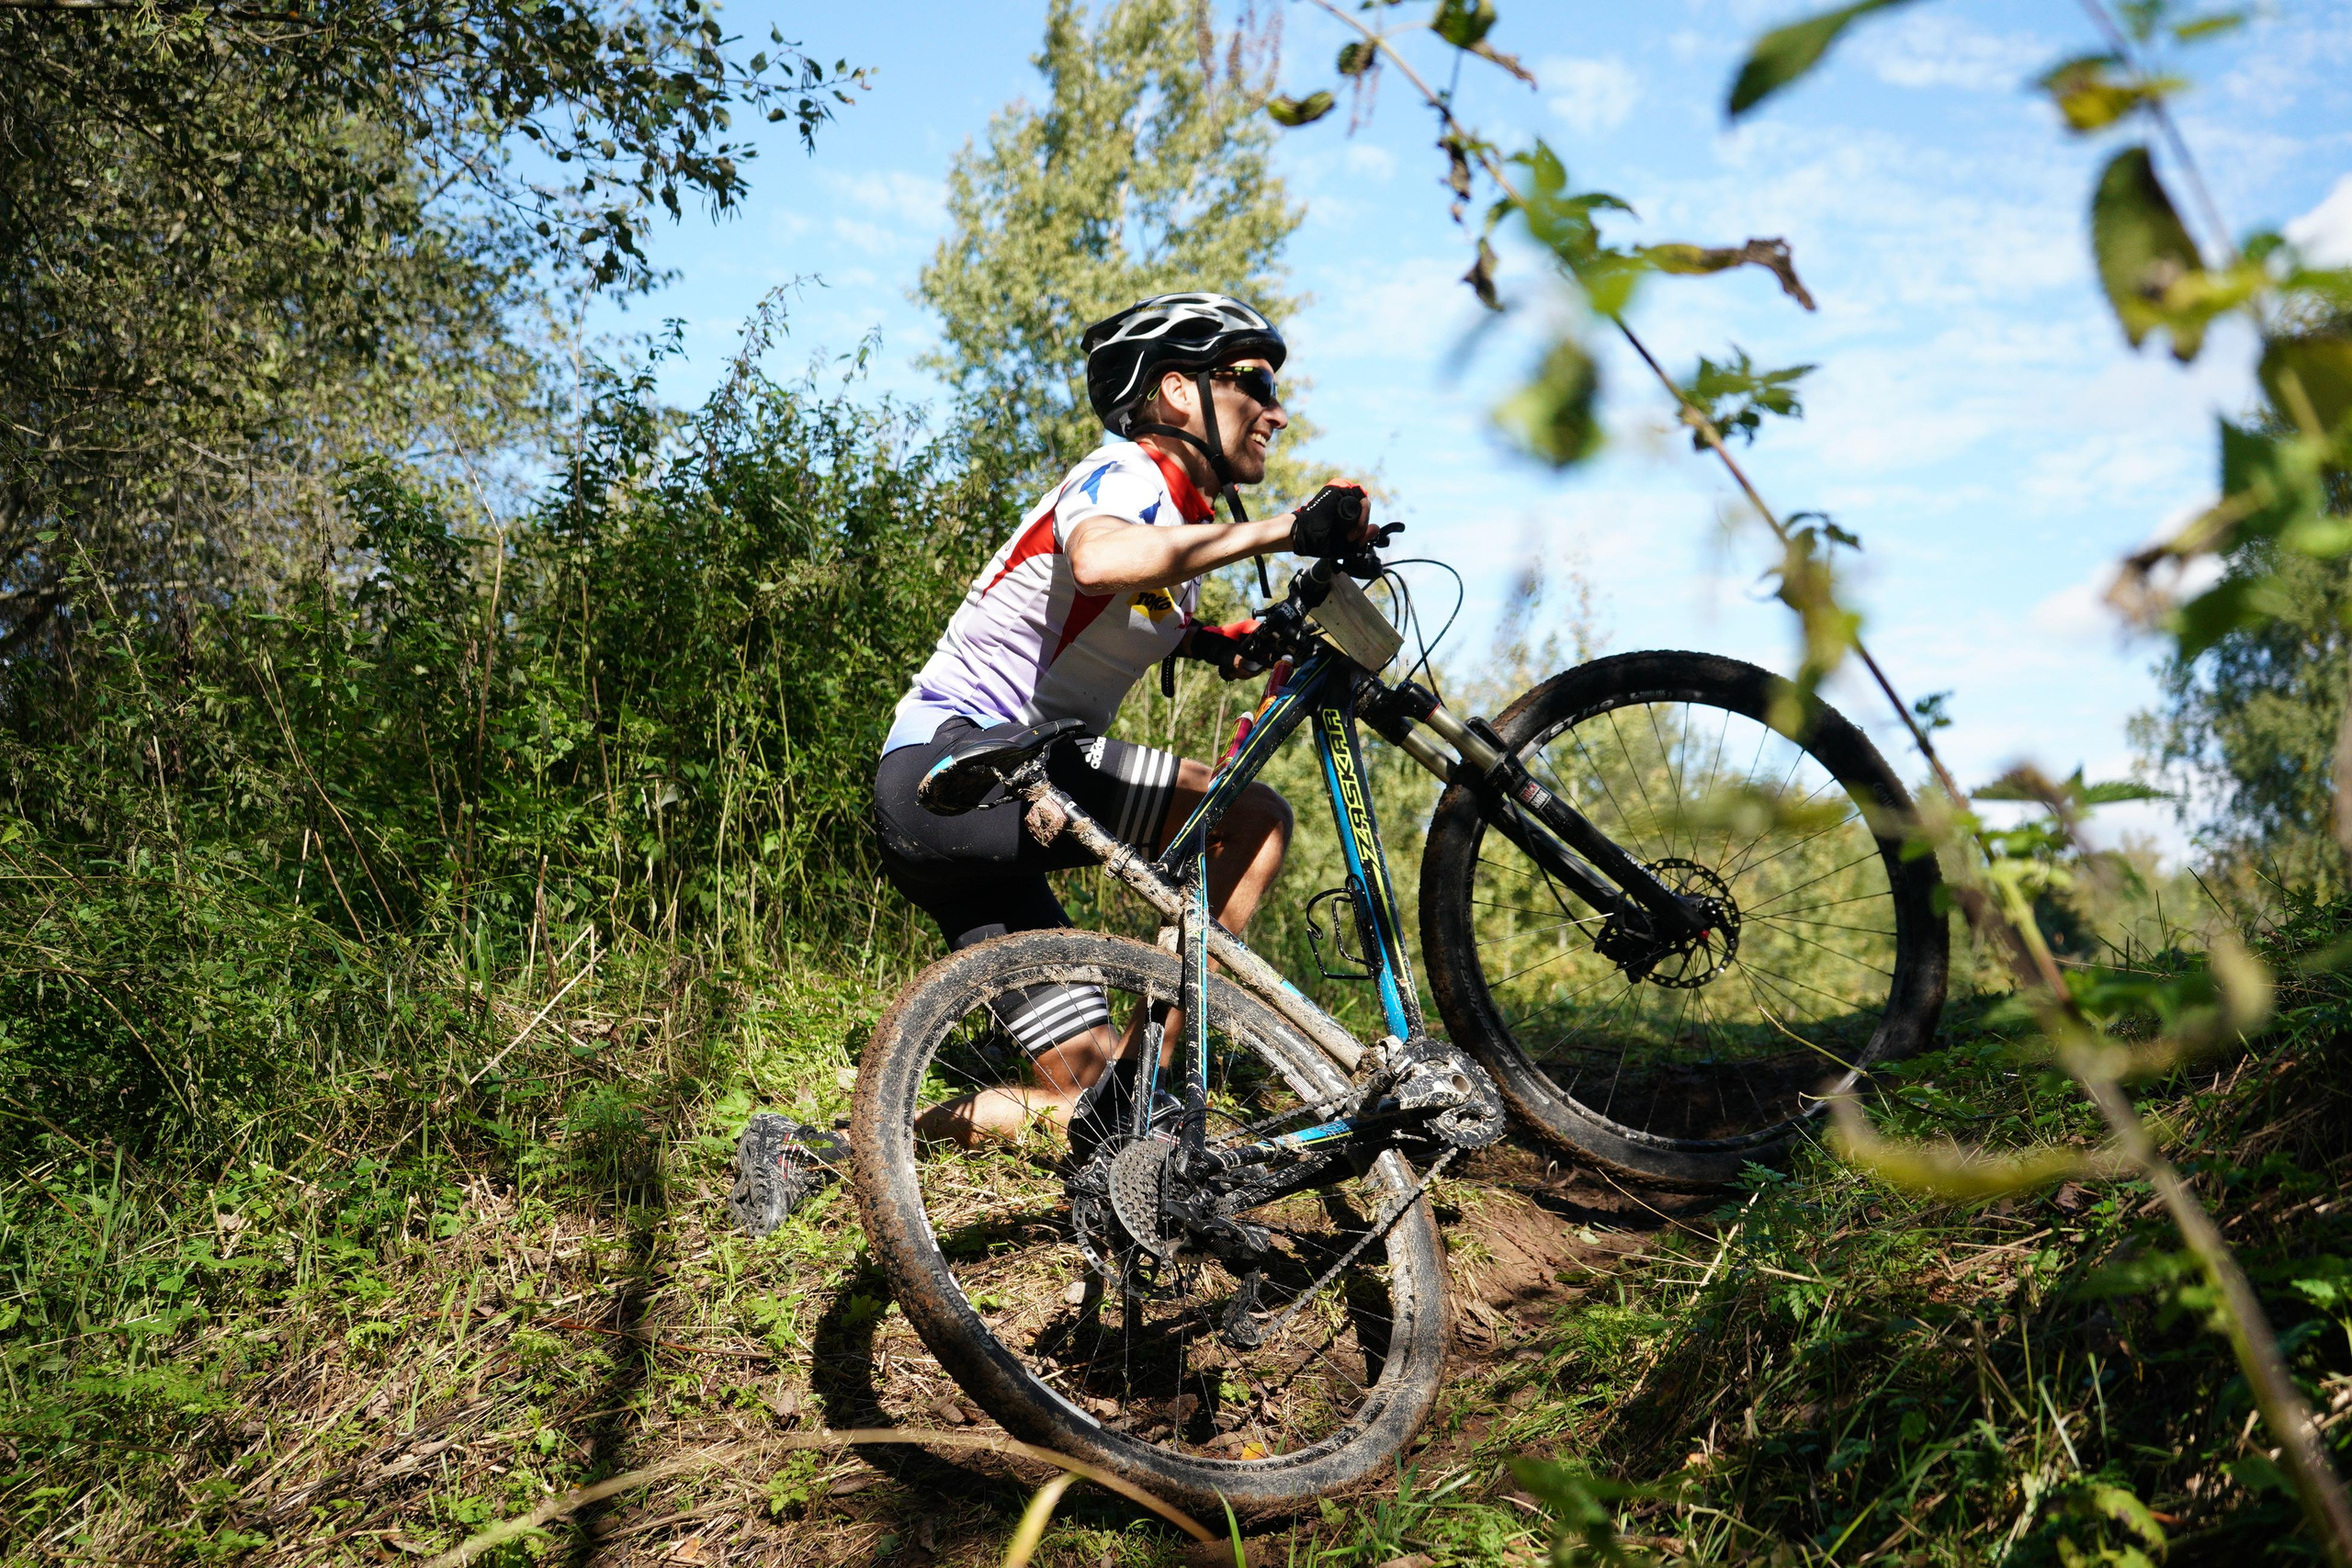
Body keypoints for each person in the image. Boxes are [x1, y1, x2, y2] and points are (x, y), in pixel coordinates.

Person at [870, 290, 1376, 1147]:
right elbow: (1100, 560)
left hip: (963, 821)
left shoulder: (1175, 524)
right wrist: (1288, 529)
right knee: (1251, 818)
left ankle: (853, 1146)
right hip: (965, 766)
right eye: (1254, 381)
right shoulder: (1130, 473)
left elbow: (1108, 614)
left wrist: (1222, 643)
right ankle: (1162, 1085)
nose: (1277, 411)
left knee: (1088, 1099)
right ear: (1180, 392)